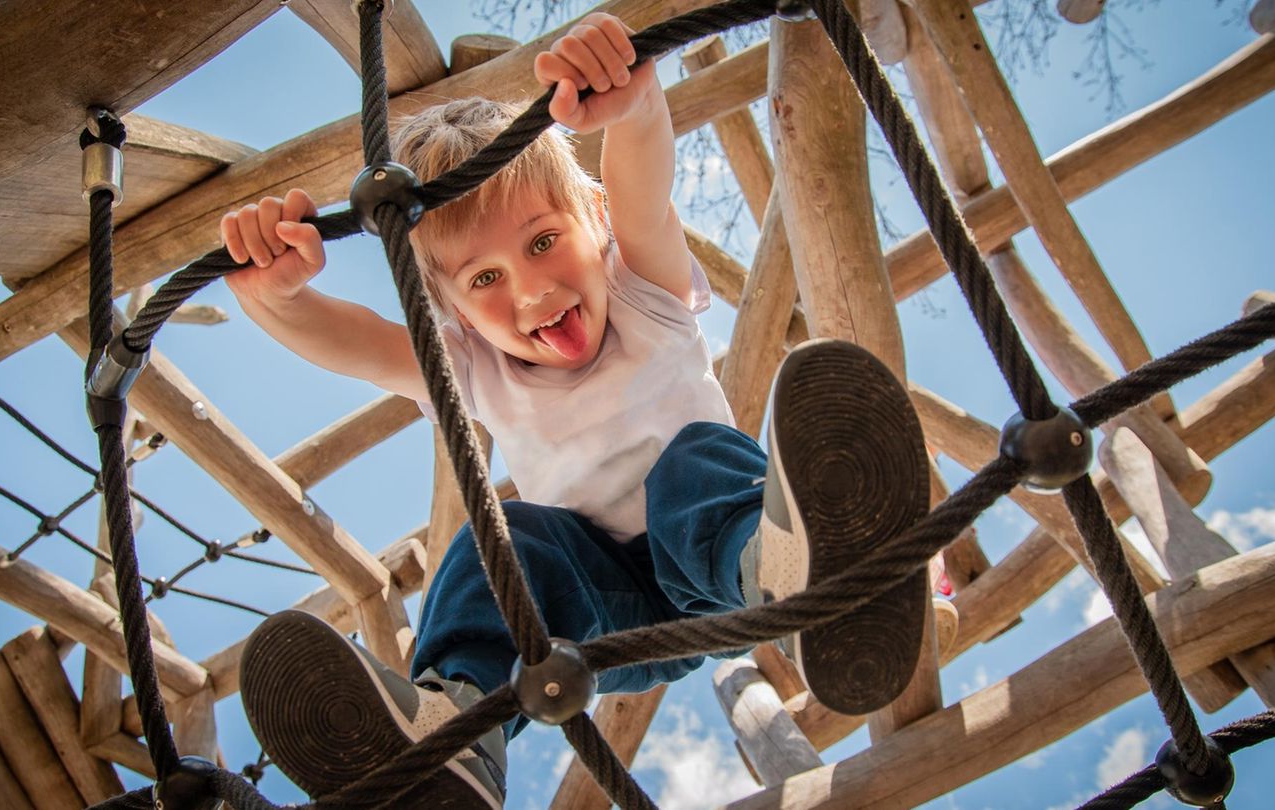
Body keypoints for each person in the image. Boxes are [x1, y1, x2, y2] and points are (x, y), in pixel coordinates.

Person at [221, 13, 929, 807]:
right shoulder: (473, 369)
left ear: (592, 222)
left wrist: (631, 105)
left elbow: (642, 192)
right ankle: (458, 733)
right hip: (600, 615)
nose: (531, 291)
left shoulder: (642, 297)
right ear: (448, 310)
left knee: (694, 462)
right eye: (483, 280)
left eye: (541, 241)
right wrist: (275, 300)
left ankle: (797, 581)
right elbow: (354, 341)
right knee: (506, 541)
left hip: (719, 565)